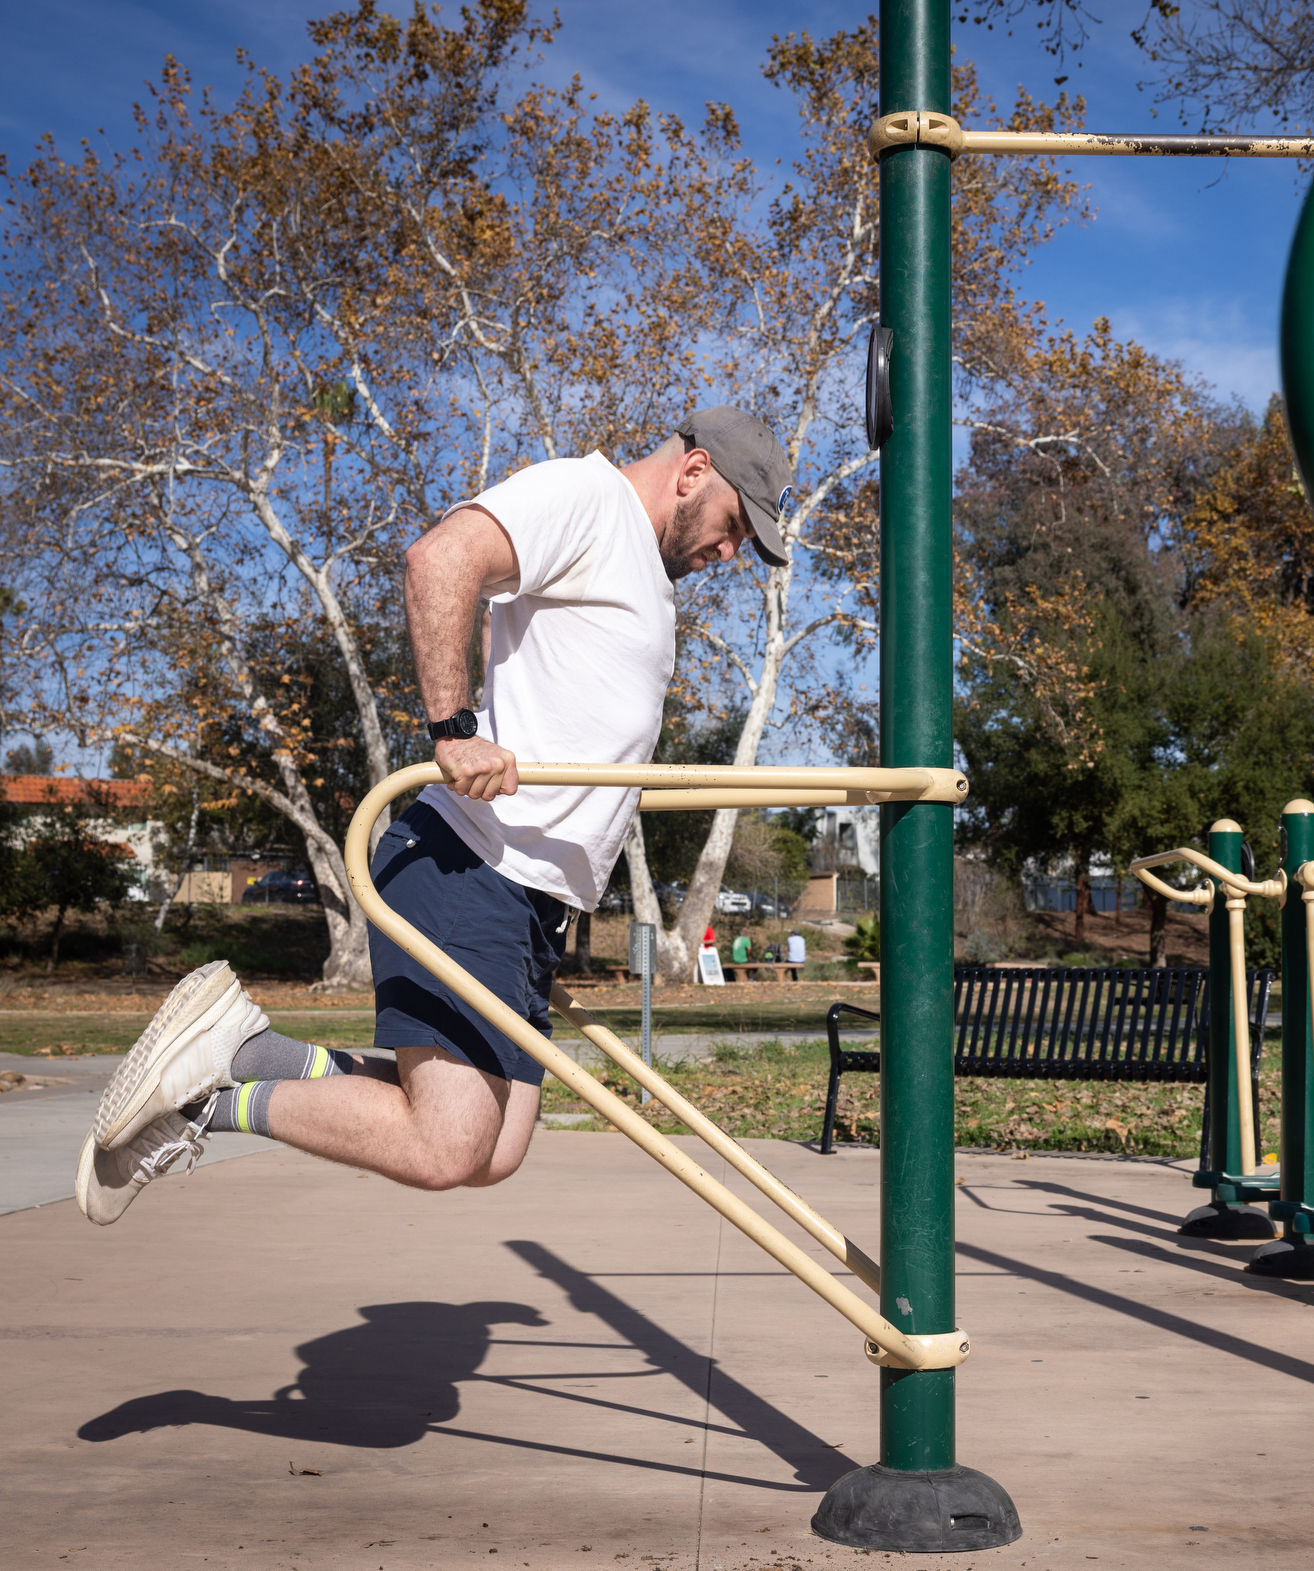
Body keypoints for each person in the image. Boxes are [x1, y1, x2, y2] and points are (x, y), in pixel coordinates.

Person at [78, 409, 796, 1225]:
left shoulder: (639, 568)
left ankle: (246, 1054)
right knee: (446, 1143)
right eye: (735, 527)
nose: (729, 552)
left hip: (532, 901)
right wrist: (453, 730)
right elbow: (441, 557)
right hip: (472, 863)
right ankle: (198, 1105)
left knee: (495, 1148)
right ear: (694, 471)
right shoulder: (587, 499)